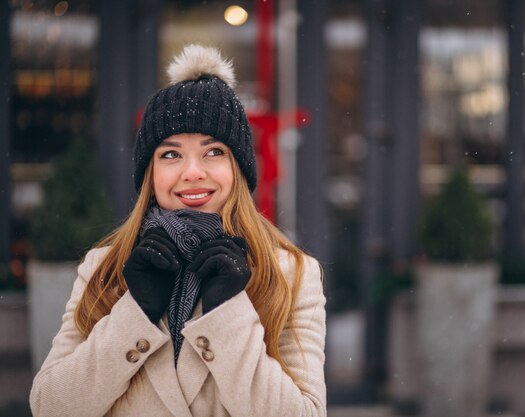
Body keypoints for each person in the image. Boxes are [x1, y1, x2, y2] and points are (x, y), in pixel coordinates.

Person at [29, 44, 326, 417]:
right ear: (150, 175)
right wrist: (136, 312)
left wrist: (228, 313)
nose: (192, 172)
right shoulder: (104, 267)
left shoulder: (291, 274)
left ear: (239, 168)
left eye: (213, 151)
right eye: (170, 154)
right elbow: (50, 407)